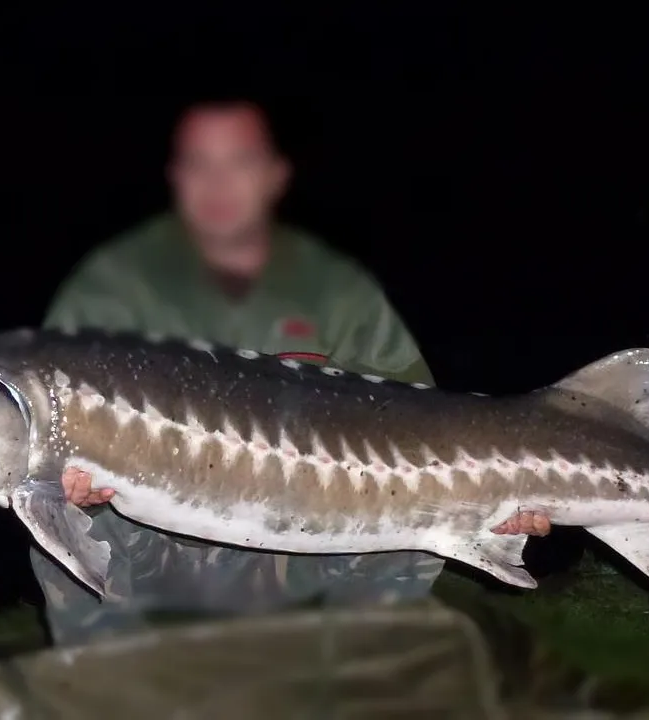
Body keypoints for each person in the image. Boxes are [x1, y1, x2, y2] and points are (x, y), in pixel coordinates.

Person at [32, 99, 550, 647]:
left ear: (275, 175)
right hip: (152, 536)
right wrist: (67, 486)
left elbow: (427, 429)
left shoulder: (339, 292)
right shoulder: (109, 289)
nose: (217, 184)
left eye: (239, 162)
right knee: (56, 531)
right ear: (175, 177)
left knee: (408, 533)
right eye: (199, 164)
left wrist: (500, 493)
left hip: (308, 523)